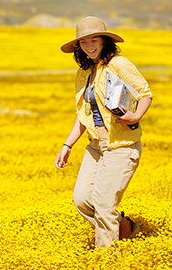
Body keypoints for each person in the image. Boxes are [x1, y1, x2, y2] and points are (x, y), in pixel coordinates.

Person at [55, 16, 153, 248]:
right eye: (84, 42)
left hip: (121, 145)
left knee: (103, 204)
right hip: (95, 146)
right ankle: (124, 227)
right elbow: (83, 115)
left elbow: (145, 93)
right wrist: (67, 145)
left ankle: (106, 256)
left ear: (104, 41)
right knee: (81, 200)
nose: (89, 45)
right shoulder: (84, 71)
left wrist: (136, 116)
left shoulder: (119, 64)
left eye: (94, 39)